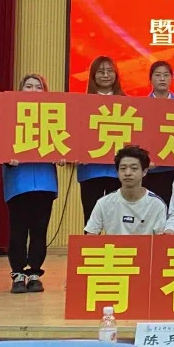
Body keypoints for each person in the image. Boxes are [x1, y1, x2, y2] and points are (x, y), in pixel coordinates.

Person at [3, 74, 60, 294]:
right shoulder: (9, 115)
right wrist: (7, 157)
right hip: (18, 181)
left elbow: (64, 141)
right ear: (20, 90)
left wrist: (63, 154)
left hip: (45, 182)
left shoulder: (55, 116)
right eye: (28, 86)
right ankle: (17, 273)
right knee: (18, 230)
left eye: (38, 87)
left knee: (39, 230)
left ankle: (35, 273)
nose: (33, 90)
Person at [77, 56, 124, 223]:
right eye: (100, 71)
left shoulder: (128, 102)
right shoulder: (80, 103)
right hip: (90, 170)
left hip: (118, 170)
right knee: (91, 220)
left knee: (116, 221)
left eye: (110, 71)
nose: (105, 75)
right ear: (93, 75)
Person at [84, 145, 167, 235]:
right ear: (117, 172)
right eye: (123, 168)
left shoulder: (157, 204)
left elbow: (161, 240)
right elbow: (90, 236)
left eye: (134, 168)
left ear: (144, 172)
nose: (127, 173)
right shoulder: (104, 203)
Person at [143, 60, 174, 204]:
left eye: (166, 75)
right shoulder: (140, 106)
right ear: (150, 79)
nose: (162, 79)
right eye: (158, 75)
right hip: (150, 170)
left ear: (171, 78)